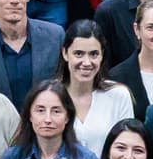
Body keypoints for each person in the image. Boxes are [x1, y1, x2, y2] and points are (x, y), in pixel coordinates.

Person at [1, 81, 93, 159]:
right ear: (30, 116)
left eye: (56, 111)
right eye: (40, 110)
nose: (47, 119)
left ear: (67, 117)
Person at [52, 21, 136, 150]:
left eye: (93, 54)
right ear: (65, 53)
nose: (86, 62)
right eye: (79, 54)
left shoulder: (119, 95)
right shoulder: (49, 96)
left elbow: (126, 147)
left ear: (102, 55)